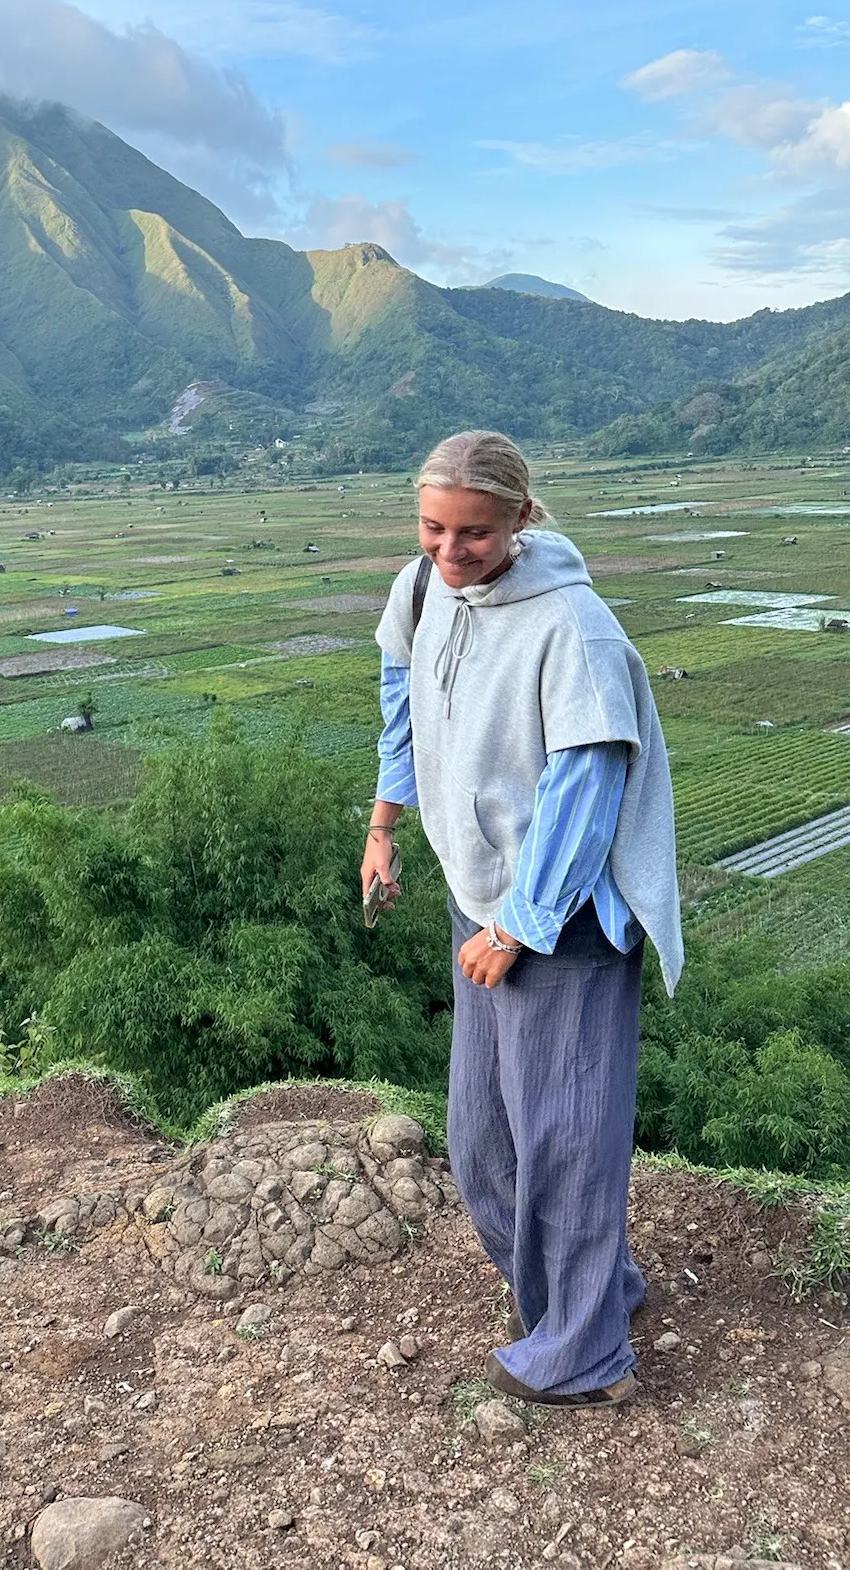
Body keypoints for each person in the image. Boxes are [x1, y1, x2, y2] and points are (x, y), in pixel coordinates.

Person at [361, 430, 682, 1408]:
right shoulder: (420, 590)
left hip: (568, 912)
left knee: (568, 1135)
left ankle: (585, 1353)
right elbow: (400, 699)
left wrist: (520, 925)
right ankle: (589, 1293)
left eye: (474, 534)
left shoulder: (570, 626)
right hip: (482, 892)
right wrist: (385, 822)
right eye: (433, 529)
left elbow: (589, 782)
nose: (450, 553)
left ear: (522, 519)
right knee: (484, 1134)